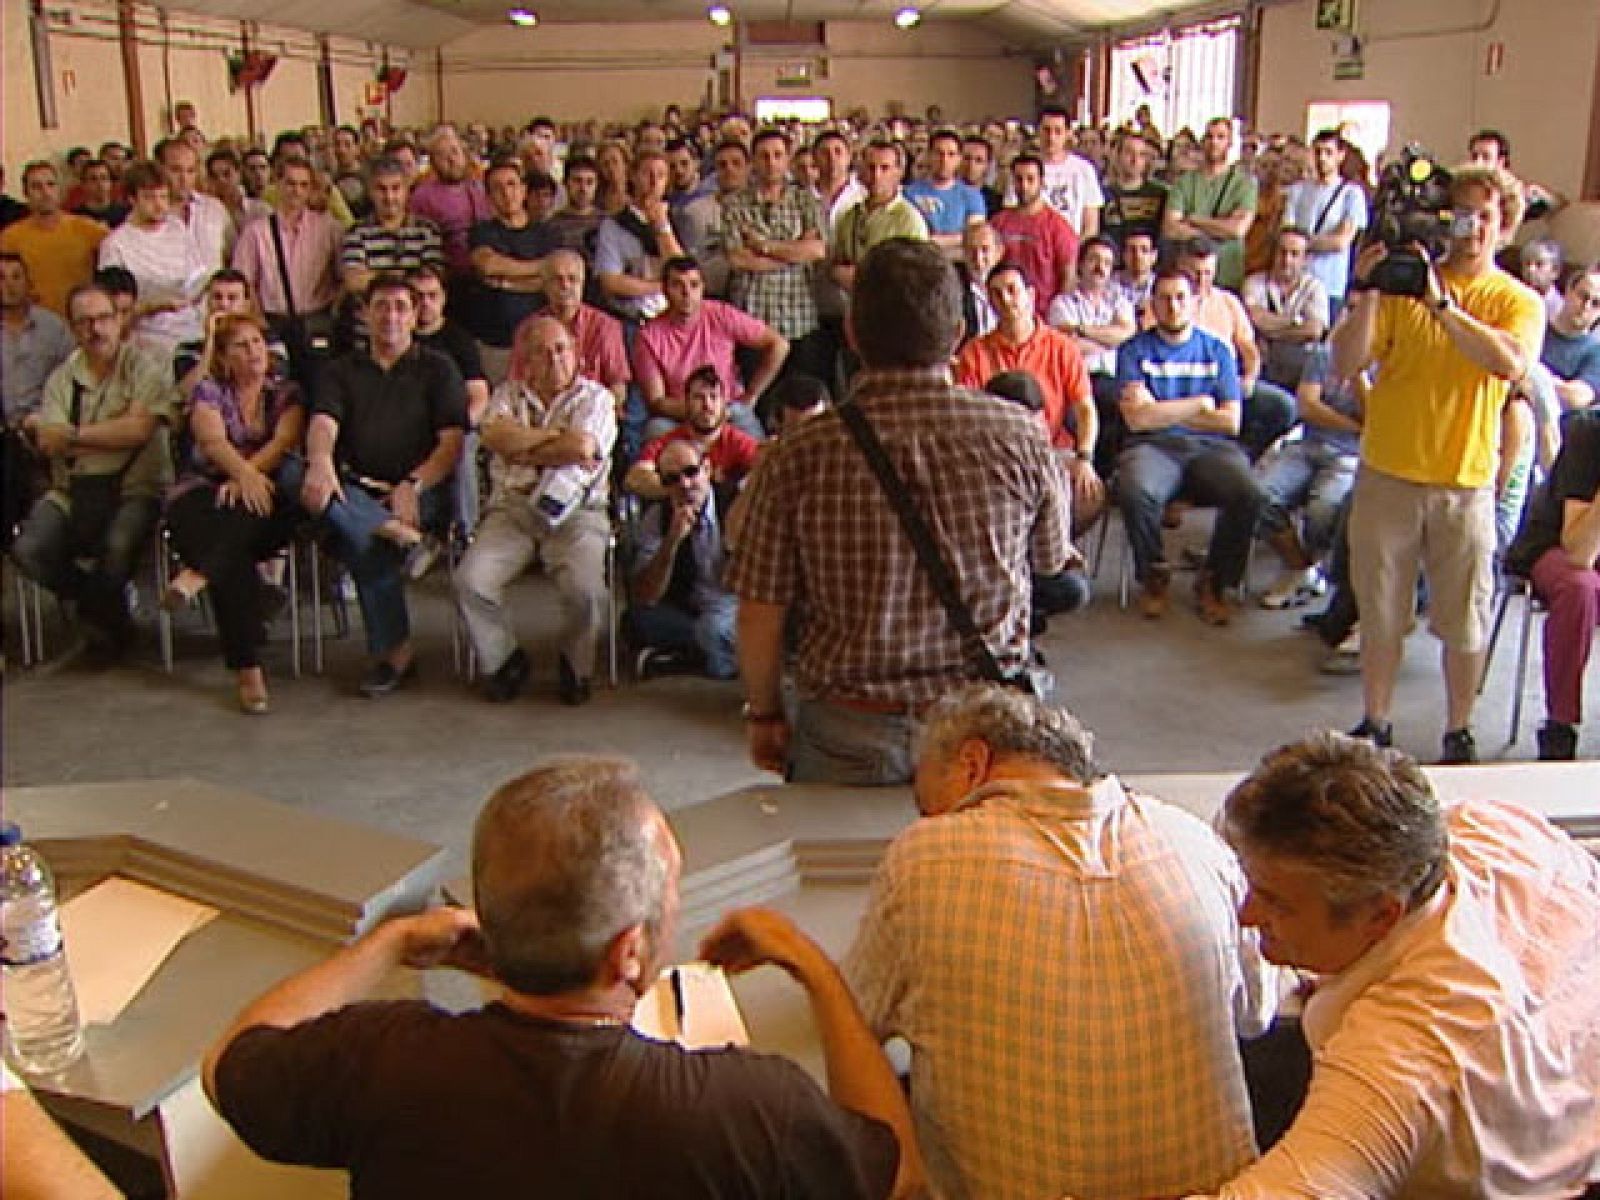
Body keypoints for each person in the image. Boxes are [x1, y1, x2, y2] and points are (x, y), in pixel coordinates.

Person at [204, 756, 922, 1199]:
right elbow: (899, 1178)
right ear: (628, 955)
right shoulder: (750, 1109)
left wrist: (390, 944)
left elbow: (228, 1063)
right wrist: (816, 971)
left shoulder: (383, 1061)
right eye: (671, 890)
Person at [846, 683, 1277, 1200]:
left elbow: (857, 1017)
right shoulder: (1194, 838)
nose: (931, 821)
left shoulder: (924, 855)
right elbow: (1256, 1014)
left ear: (972, 764)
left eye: (928, 804)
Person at [728, 239, 1072, 785]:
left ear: (852, 334)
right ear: (958, 335)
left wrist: (765, 714)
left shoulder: (797, 453)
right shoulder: (1020, 435)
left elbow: (759, 610)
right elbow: (1052, 562)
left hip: (849, 728)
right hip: (985, 729)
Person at [1198, 732, 1600, 1197]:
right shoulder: (1492, 827)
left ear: (1381, 916)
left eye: (1277, 903)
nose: (1247, 915)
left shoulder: (1404, 1050)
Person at [1332, 165, 1544, 764]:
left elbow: (1508, 363)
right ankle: (1376, 720)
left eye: (1486, 217)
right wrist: (1368, 291)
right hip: (1387, 476)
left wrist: (1440, 304)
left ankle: (1458, 728)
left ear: (1505, 227)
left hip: (1465, 483)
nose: (1472, 228)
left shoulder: (1516, 301)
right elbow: (1346, 363)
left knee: (1464, 618)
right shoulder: (1401, 290)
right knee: (1380, 611)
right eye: (1462, 214)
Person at [282, 275, 466, 697]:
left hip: (421, 492)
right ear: (365, 313)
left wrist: (411, 485)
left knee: (360, 541)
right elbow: (323, 423)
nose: (391, 316)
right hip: (353, 488)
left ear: (416, 315)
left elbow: (452, 444)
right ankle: (388, 531)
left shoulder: (439, 368)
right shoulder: (340, 370)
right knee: (293, 472)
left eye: (401, 307)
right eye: (381, 306)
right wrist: (321, 463)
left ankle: (392, 654)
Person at [455, 315, 614, 706]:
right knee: (470, 580)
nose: (554, 359)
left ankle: (575, 665)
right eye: (542, 353)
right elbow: (495, 436)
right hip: (512, 510)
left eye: (561, 349)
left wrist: (523, 448)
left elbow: (583, 448)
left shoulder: (596, 399)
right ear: (526, 361)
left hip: (579, 512)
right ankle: (505, 660)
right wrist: (558, 440)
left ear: (576, 353)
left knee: (587, 591)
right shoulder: (506, 395)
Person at [11, 283, 174, 657]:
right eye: (84, 322)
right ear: (72, 328)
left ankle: (101, 619)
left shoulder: (145, 368)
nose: (95, 329)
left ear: (118, 320)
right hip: (72, 489)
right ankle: (100, 605)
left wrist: (73, 435)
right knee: (28, 549)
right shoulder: (61, 379)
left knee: (118, 546)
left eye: (103, 318)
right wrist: (109, 433)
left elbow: (138, 432)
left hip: (135, 489)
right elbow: (48, 442)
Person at [162, 315, 306, 714]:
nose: (254, 351)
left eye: (257, 342)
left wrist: (248, 477)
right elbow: (212, 441)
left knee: (241, 524)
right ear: (224, 358)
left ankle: (199, 574)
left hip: (266, 495)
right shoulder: (209, 391)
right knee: (230, 553)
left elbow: (283, 441)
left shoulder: (285, 392)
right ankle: (249, 669)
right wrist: (239, 474)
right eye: (242, 346)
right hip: (204, 488)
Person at [1116, 268, 1264, 626]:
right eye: (1164, 298)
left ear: (1194, 303)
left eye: (1181, 297)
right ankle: (1154, 574)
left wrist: (1160, 410)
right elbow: (1137, 421)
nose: (1173, 306)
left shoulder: (1218, 351)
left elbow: (1230, 422)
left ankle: (1214, 581)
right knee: (1135, 488)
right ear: (1152, 304)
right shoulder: (1133, 351)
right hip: (1153, 447)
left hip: (1211, 448)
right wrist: (1199, 404)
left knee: (1248, 493)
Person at [956, 261, 1102, 529]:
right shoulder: (974, 353)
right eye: (996, 294)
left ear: (1031, 295)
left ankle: (1058, 548)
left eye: (1012, 290)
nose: (1005, 299)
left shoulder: (1062, 348)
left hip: (1053, 450)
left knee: (1089, 493)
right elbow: (967, 418)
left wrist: (1084, 457)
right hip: (995, 455)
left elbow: (1085, 409)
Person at [1507, 410, 1600, 761]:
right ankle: (1561, 723)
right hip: (1559, 546)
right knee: (1579, 588)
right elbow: (1578, 551)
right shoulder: (1587, 433)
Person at [632, 256, 782, 441]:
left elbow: (779, 345)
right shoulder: (648, 336)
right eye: (677, 285)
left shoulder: (721, 314)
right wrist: (701, 411)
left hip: (728, 409)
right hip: (680, 416)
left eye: (694, 285)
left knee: (759, 449)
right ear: (664, 290)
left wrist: (752, 394)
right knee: (656, 429)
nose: (687, 293)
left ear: (703, 288)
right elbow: (657, 402)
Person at [625, 438, 738, 679]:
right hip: (689, 609)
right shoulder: (658, 517)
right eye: (672, 479)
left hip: (737, 605)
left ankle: (691, 659)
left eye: (691, 472)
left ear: (707, 469)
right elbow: (645, 595)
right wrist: (671, 542)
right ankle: (718, 653)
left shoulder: (735, 504)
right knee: (637, 621)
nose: (684, 484)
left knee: (717, 627)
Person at [723, 130, 828, 385]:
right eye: (764, 156)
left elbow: (816, 251)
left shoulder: (805, 201)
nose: (771, 162)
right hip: (753, 320)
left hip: (799, 318)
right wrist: (794, 252)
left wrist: (762, 246)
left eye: (777, 155)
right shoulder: (734, 204)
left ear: (788, 159)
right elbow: (738, 259)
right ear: (753, 161)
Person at [97, 160, 208, 360]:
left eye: (163, 197)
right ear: (132, 199)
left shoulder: (177, 229)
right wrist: (153, 306)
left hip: (192, 329)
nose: (159, 205)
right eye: (149, 197)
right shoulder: (115, 244)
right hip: (147, 339)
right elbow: (112, 311)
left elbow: (198, 275)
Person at [1047, 234, 1138, 475]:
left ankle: (1106, 477)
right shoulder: (1062, 304)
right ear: (1080, 264)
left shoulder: (1120, 301)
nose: (1100, 267)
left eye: (1107, 262)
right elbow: (1067, 346)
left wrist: (1081, 329)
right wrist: (1110, 339)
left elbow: (1127, 337)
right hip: (1076, 380)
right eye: (1094, 260)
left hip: (1112, 380)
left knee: (1121, 411)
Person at [2, 253, 76, 544]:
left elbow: (75, 377)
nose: (8, 285)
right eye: (0, 278)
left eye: (16, 277)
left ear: (29, 283)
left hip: (43, 424)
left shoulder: (54, 328)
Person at [230, 157, 343, 344]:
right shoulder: (256, 231)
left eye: (303, 185)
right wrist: (258, 320)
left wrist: (333, 311)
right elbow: (244, 281)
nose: (296, 191)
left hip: (317, 320)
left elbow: (343, 277)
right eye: (290, 183)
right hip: (273, 321)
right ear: (278, 184)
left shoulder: (329, 228)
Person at [339, 157, 445, 348]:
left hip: (416, 335)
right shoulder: (357, 232)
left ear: (406, 191)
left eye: (396, 188)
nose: (389, 197)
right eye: (381, 189)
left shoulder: (427, 231)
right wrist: (406, 276)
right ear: (370, 192)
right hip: (367, 336)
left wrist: (376, 279)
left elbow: (430, 281)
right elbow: (354, 281)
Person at [465, 158, 549, 385]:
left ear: (523, 190)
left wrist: (505, 281)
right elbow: (488, 265)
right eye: (498, 188)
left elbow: (552, 279)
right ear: (488, 197)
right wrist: (539, 268)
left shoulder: (547, 233)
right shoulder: (481, 232)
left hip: (539, 340)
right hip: (495, 343)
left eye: (512, 184)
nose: (506, 193)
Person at [625, 365, 759, 501]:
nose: (707, 405)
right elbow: (634, 478)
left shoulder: (738, 441)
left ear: (724, 403)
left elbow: (764, 470)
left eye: (713, 397)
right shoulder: (669, 441)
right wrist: (680, 488)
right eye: (698, 397)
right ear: (686, 403)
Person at [0, 161, 108, 317]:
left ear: (59, 189)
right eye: (36, 187)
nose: (45, 192)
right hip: (36, 322)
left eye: (50, 184)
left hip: (81, 319)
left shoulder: (88, 229)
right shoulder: (10, 238)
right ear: (25, 193)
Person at [1164, 117, 1258, 291]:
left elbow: (1237, 229)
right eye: (1209, 136)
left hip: (1227, 274)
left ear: (1230, 143)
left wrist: (1194, 220)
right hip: (1188, 276)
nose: (1214, 142)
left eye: (1220, 137)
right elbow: (1171, 228)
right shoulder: (1184, 182)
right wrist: (1219, 229)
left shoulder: (1244, 184)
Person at [1280, 129, 1367, 313]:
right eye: (1318, 152)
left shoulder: (1351, 194)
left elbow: (1341, 241)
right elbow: (1286, 234)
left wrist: (1301, 244)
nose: (1322, 158)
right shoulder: (1297, 190)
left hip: (1331, 284)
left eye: (1328, 152)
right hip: (1296, 281)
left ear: (1340, 156)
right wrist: (1312, 243)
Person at [594, 150, 685, 324]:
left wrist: (662, 227)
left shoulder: (676, 219)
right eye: (647, 173)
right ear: (633, 176)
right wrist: (661, 286)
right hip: (630, 316)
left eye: (661, 175)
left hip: (669, 316)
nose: (654, 181)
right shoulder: (614, 225)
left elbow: (681, 269)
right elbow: (611, 281)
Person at [829, 142, 929, 299]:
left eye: (884, 168)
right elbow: (837, 264)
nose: (876, 175)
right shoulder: (850, 216)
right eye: (871, 167)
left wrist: (864, 278)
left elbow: (915, 276)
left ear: (898, 173)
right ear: (860, 171)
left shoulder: (909, 219)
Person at [1241, 227, 1330, 391]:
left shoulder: (1316, 287)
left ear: (1305, 259)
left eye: (1294, 254)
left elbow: (1314, 330)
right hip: (1263, 364)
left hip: (1299, 368)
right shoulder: (1254, 282)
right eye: (1282, 252)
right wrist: (1296, 322)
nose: (1286, 260)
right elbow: (1254, 318)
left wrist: (1270, 333)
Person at [989, 155, 1078, 315]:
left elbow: (1068, 277)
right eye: (1019, 179)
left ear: (1042, 182)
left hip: (1044, 315)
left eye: (1030, 179)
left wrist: (1059, 315)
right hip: (1003, 312)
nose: (1024, 185)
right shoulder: (998, 223)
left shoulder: (1058, 227)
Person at [406, 125, 491, 281]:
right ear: (432, 163)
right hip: (449, 277)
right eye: (442, 155)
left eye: (454, 151)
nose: (451, 160)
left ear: (464, 154)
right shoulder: (422, 197)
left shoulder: (480, 188)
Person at [679, 139, 748, 300]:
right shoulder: (694, 212)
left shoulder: (762, 208)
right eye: (722, 165)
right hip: (710, 296)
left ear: (748, 167)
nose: (729, 169)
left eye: (736, 163)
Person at [903, 129, 986, 254]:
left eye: (951, 154)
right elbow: (906, 234)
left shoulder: (972, 195)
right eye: (939, 153)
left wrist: (929, 240)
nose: (944, 160)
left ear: (959, 159)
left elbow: (973, 236)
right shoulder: (909, 193)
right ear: (929, 156)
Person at [1031, 104, 1103, 237]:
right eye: (1046, 130)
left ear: (1068, 133)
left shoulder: (1084, 169)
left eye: (1058, 131)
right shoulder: (1025, 168)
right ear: (1038, 131)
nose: (1051, 137)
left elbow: (1091, 225)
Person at [1100, 130, 1167, 250]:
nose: (1135, 159)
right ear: (1118, 156)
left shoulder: (1161, 193)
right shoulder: (1103, 194)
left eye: (1141, 154)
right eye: (1129, 152)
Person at [69, 159, 129, 229]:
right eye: (93, 179)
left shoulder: (125, 214)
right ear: (84, 185)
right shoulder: (75, 217)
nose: (100, 184)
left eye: (104, 178)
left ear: (111, 183)